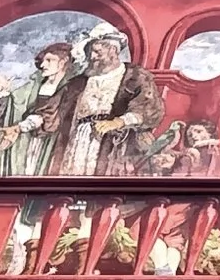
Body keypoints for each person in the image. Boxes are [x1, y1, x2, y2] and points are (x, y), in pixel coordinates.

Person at [48, 33, 164, 177]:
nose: (92, 57)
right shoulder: (78, 82)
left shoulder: (135, 76)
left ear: (113, 51)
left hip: (115, 141)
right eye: (90, 53)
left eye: (97, 52)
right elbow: (53, 109)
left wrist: (119, 122)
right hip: (78, 139)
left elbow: (149, 108)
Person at [0, 41, 72, 176]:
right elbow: (13, 107)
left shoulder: (71, 86)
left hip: (54, 145)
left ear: (63, 61)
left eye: (49, 60)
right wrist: (3, 94)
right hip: (28, 144)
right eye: (43, 61)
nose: (43, 65)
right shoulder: (31, 87)